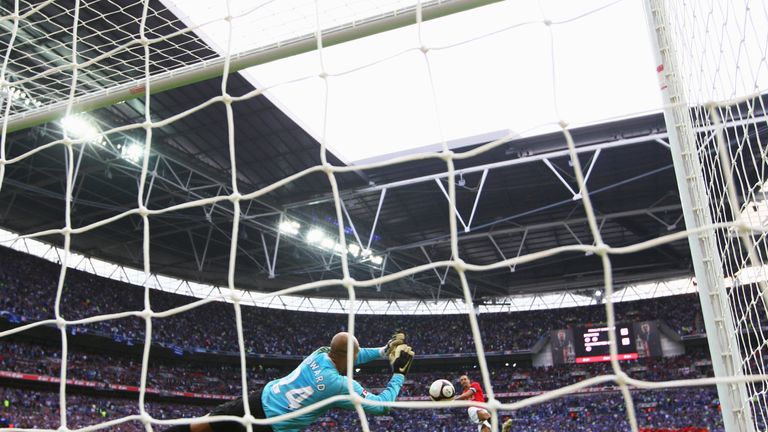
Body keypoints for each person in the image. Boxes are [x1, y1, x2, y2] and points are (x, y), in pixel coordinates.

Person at [165, 331, 413, 432]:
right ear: (349, 357)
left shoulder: (319, 353)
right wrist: (398, 373)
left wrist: (383, 350)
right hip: (271, 427)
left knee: (199, 428)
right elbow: (383, 405)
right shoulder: (338, 386)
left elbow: (351, 352)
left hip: (257, 400)